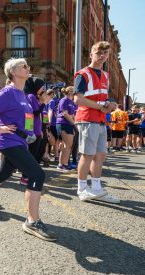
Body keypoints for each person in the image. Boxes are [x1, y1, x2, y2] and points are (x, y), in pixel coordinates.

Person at [0, 58, 57, 242]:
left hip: (20, 141)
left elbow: (28, 118)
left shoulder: (22, 94)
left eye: (28, 65)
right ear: (13, 72)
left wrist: (31, 134)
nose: (28, 68)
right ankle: (32, 221)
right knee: (37, 175)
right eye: (24, 66)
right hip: (9, 141)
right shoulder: (8, 91)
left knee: (3, 173)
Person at [74, 41, 120, 204]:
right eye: (98, 52)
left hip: (100, 120)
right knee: (87, 155)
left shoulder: (105, 75)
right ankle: (81, 189)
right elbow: (78, 99)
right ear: (91, 54)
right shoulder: (83, 74)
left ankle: (96, 188)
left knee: (100, 155)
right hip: (87, 118)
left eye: (105, 53)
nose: (102, 56)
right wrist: (102, 106)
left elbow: (102, 96)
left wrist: (110, 103)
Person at [56, 86, 76, 171]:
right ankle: (62, 164)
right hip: (63, 123)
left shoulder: (72, 102)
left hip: (69, 124)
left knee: (68, 145)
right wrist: (74, 123)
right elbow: (65, 113)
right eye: (73, 91)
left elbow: (72, 114)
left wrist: (73, 120)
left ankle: (64, 164)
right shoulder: (64, 100)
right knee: (67, 145)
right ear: (70, 91)